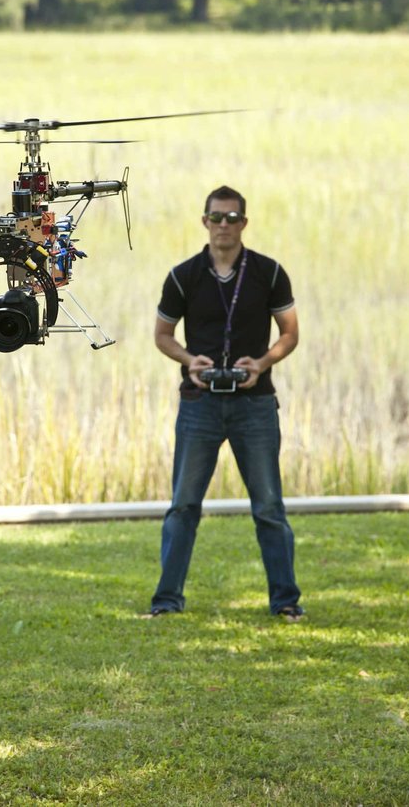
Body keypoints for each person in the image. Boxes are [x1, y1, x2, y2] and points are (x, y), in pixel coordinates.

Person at [144, 184, 303, 622]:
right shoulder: (183, 275)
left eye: (232, 218)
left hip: (255, 405)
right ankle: (167, 600)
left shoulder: (269, 273)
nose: (224, 226)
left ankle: (286, 601)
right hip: (200, 404)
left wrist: (264, 362)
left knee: (269, 507)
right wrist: (188, 360)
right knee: (183, 505)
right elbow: (162, 335)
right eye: (217, 217)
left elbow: (289, 333)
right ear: (205, 221)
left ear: (244, 224)